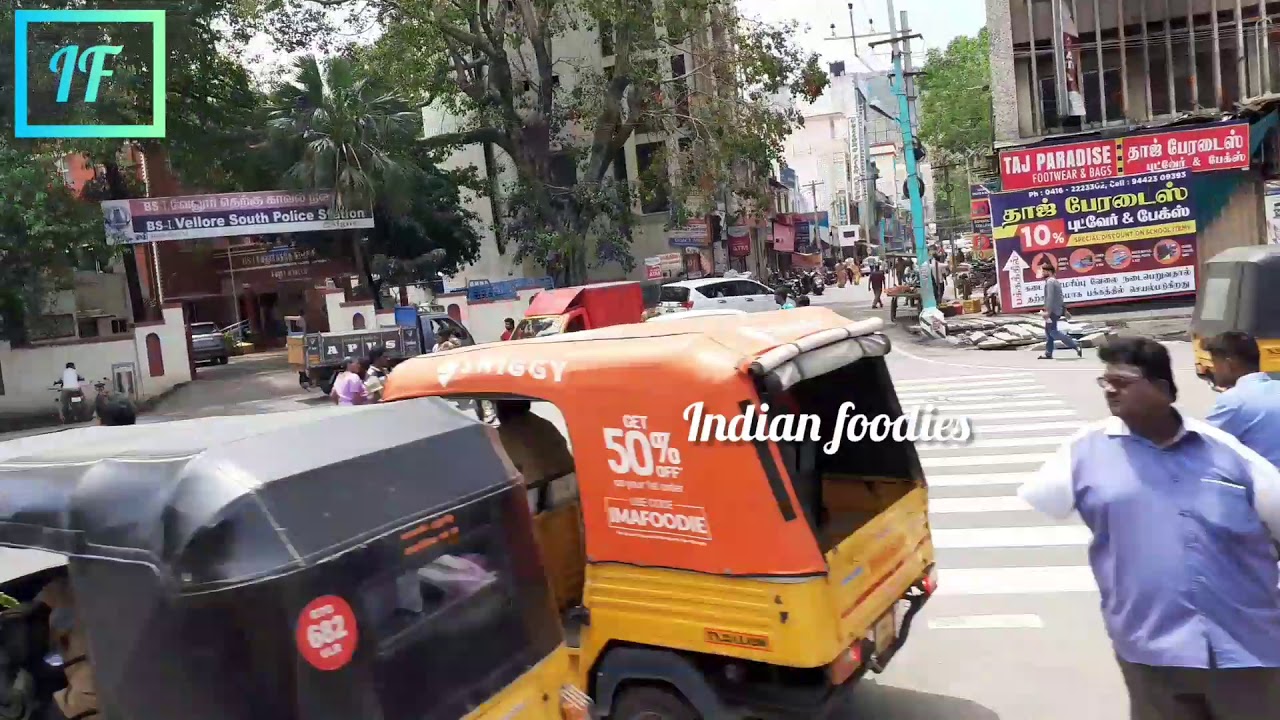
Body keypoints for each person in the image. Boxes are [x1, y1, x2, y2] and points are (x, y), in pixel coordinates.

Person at [1018, 337, 1280, 719]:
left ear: (1161, 389)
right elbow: (1042, 500)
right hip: (1150, 651)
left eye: (1122, 381)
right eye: (1105, 381)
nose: (1109, 389)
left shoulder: (1227, 453)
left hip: (1246, 650)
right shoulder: (1082, 452)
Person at [1205, 331, 1280, 467]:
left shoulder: (1233, 400)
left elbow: (1201, 445)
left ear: (1229, 364)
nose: (1213, 370)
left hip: (1265, 484)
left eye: (1215, 363)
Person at [493, 399, 576, 511]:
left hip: (539, 504)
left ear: (501, 409)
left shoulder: (503, 436)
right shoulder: (544, 424)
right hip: (569, 496)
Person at [1037, 261, 1082, 360]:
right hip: (1056, 310)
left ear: (1049, 271)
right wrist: (1064, 310)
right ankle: (1048, 353)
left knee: (1053, 332)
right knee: (1049, 332)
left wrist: (1048, 312)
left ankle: (1075, 344)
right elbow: (1060, 297)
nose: (1042, 273)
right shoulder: (1055, 281)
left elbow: (1050, 298)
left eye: (1044, 271)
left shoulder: (1050, 282)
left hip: (1052, 311)